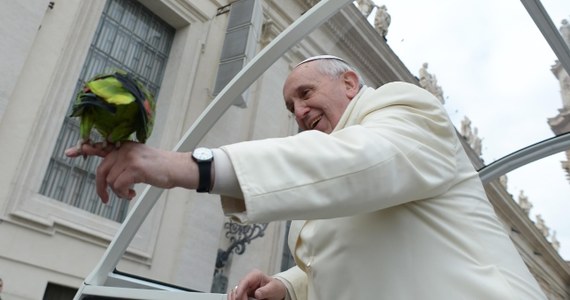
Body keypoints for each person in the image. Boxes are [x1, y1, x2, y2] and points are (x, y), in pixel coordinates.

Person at [65, 55, 546, 299]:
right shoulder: (336, 162)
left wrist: (181, 166)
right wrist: (292, 286)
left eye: (305, 92)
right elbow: (359, 248)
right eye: (289, 106)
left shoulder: (406, 111)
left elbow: (355, 165)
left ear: (350, 83)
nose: (298, 110)